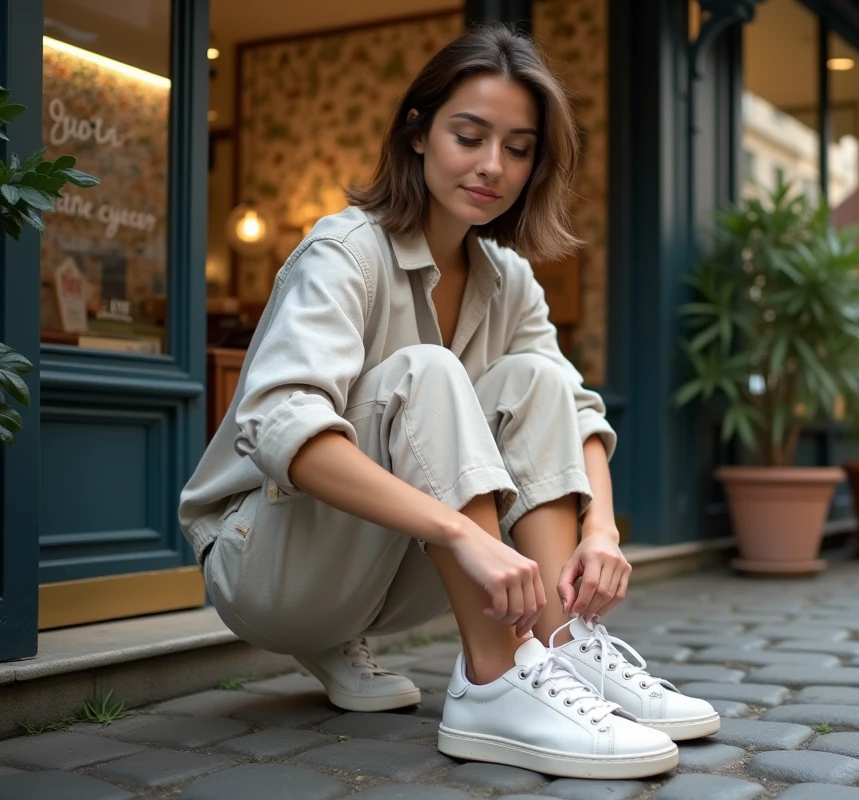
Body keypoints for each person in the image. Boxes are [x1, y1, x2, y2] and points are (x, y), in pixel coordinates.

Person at [178, 22, 718, 780]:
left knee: (538, 379)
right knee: (428, 374)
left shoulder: (509, 279)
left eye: (520, 148)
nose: (493, 166)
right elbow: (279, 421)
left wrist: (603, 528)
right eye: (469, 135)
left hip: (380, 577)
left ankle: (559, 648)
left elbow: (574, 409)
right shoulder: (346, 251)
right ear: (419, 134)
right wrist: (462, 534)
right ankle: (496, 683)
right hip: (268, 566)